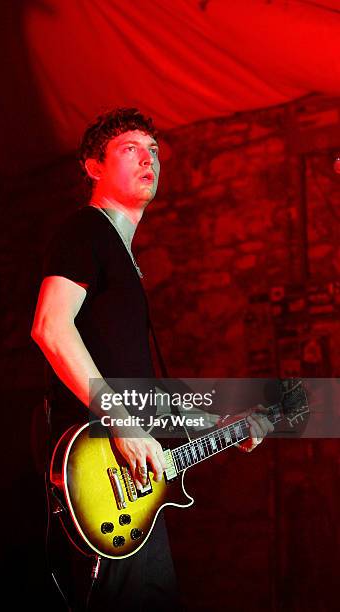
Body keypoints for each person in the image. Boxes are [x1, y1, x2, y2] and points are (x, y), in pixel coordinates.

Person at [31, 107, 273, 611]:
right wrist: (120, 421)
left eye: (154, 150)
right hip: (103, 475)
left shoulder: (121, 256)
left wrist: (224, 425)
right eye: (130, 148)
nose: (149, 159)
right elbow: (51, 328)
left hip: (135, 483)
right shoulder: (86, 232)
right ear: (93, 167)